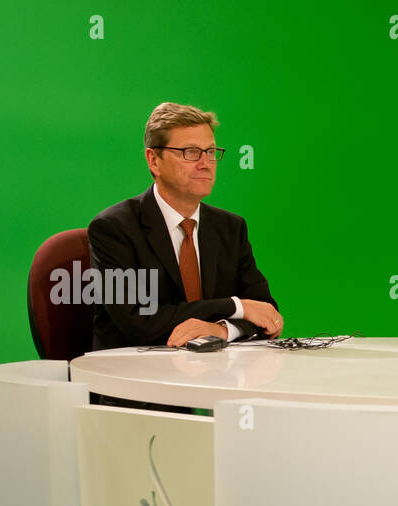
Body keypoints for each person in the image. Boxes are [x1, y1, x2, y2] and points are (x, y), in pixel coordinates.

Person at [88, 102, 284, 353]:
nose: (206, 163)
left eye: (211, 152)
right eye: (191, 152)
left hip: (217, 379)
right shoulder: (113, 228)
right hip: (136, 379)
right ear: (153, 160)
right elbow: (140, 323)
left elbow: (268, 316)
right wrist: (237, 307)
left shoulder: (230, 228)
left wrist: (222, 330)